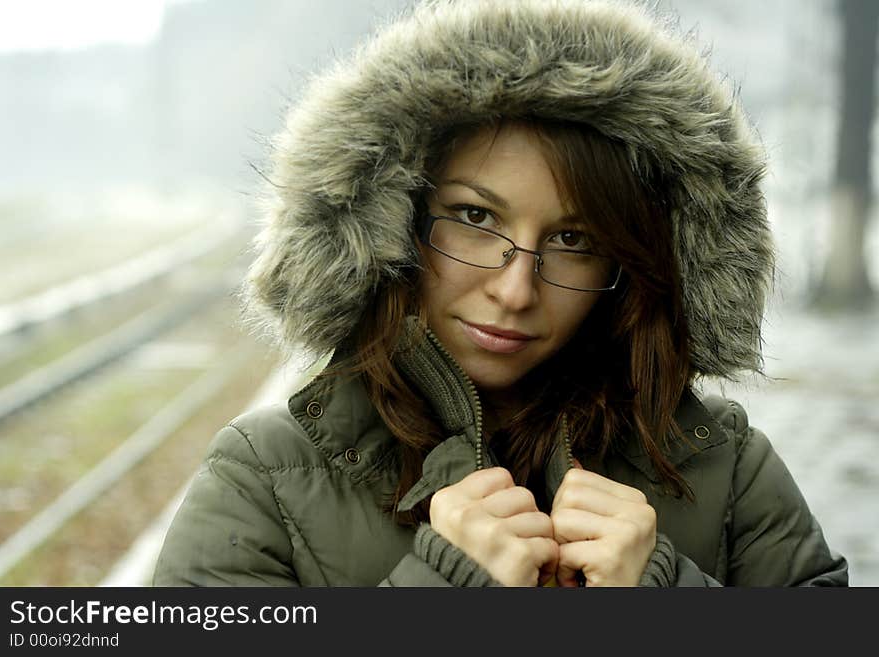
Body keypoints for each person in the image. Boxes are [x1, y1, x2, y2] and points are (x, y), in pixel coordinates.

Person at [153, 0, 848, 587]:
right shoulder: (267, 477)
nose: (517, 290)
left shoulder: (726, 470)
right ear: (396, 221)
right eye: (475, 217)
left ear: (636, 265)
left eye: (573, 240)